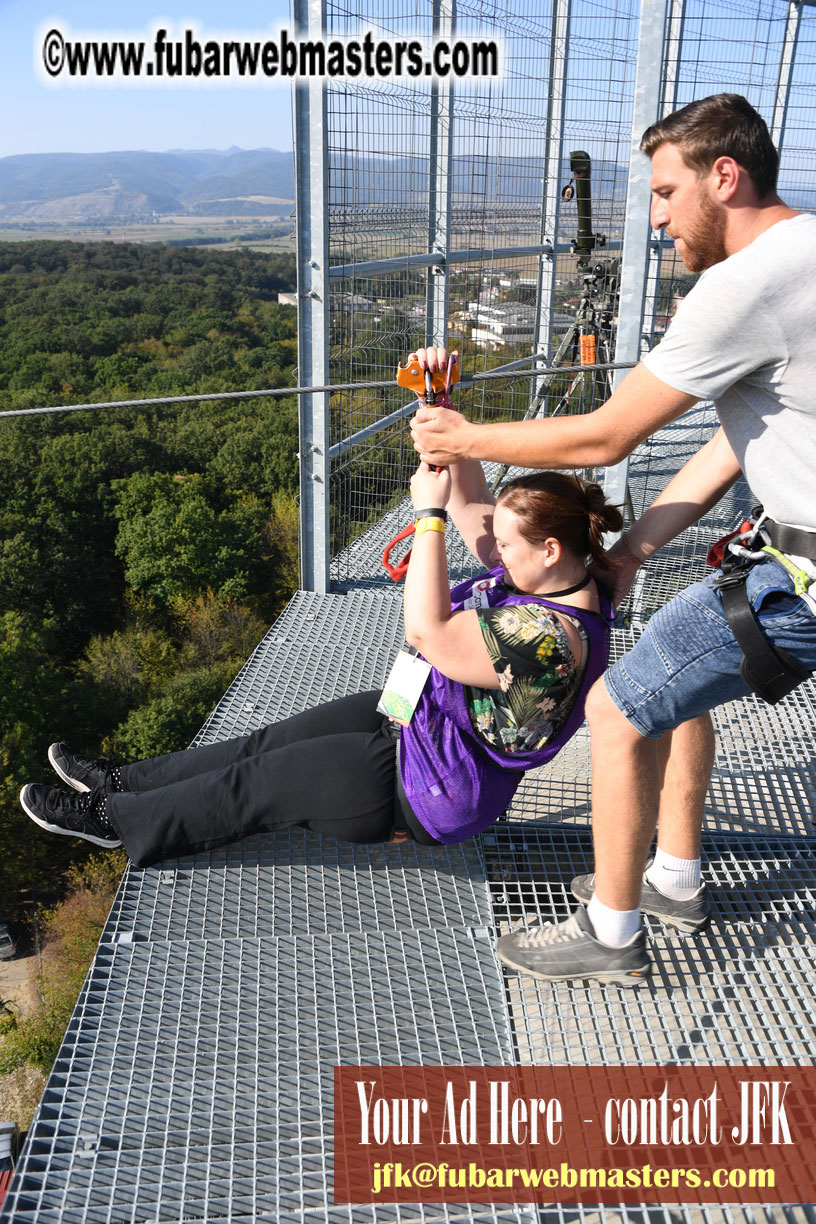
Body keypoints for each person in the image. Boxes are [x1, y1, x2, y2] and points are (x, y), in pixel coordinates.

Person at [409, 93, 816, 986]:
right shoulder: (809, 253)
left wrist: (461, 440)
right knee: (680, 678)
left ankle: (614, 932)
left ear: (725, 175)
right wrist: (631, 554)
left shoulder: (745, 283)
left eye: (667, 192)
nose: (658, 215)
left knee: (618, 707)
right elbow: (729, 442)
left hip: (806, 577)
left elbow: (604, 437)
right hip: (795, 552)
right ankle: (671, 874)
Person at [20, 460, 621, 883]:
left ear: (548, 550)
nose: (496, 554)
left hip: (426, 787)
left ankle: (113, 822)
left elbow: (428, 632)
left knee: (251, 786)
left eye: (511, 548)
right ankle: (124, 782)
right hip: (417, 719)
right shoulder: (565, 578)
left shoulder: (552, 643)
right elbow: (479, 515)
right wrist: (443, 424)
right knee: (263, 742)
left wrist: (428, 518)